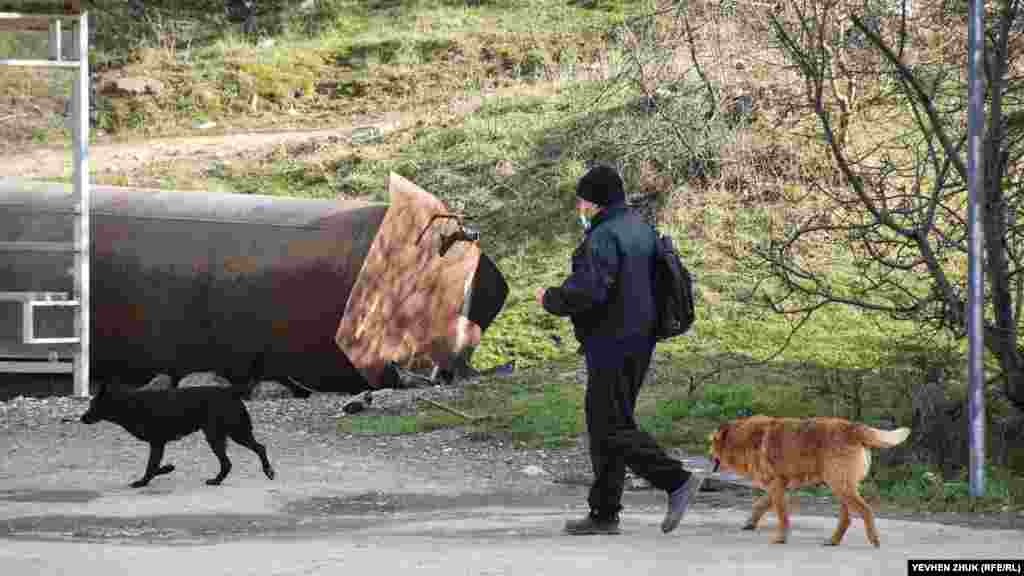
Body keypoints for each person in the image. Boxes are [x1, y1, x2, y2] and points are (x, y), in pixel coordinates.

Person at [534, 164, 704, 535]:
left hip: (613, 340)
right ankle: (604, 514)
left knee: (608, 426)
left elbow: (589, 291)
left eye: (582, 198)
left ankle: (675, 480)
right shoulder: (640, 228)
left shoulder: (605, 237)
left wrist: (551, 298)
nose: (579, 205)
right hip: (639, 340)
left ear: (595, 200)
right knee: (609, 423)